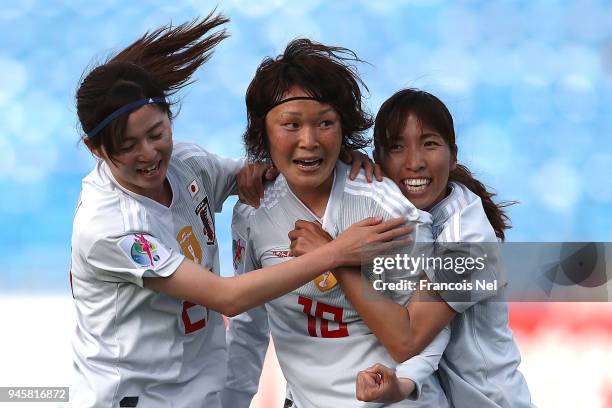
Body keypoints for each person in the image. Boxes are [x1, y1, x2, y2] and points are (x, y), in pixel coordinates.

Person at [69, 14, 409, 408]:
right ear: (95, 149)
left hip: (200, 390)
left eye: (157, 134)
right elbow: (232, 302)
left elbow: (268, 170)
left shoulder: (188, 166)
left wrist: (337, 152)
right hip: (138, 398)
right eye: (128, 146)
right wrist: (334, 253)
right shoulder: (109, 227)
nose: (148, 154)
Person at [221, 40, 450, 408]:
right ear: (264, 133)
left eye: (324, 123)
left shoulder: (389, 212)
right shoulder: (252, 213)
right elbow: (249, 328)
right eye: (291, 125)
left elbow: (427, 331)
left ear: (343, 127)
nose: (308, 142)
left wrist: (404, 384)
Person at [290, 89, 534, 407]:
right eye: (397, 147)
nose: (414, 162)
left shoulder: (469, 243)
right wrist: (257, 172)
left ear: (454, 153)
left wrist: (332, 256)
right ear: (378, 159)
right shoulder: (405, 215)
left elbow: (411, 336)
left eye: (429, 144)